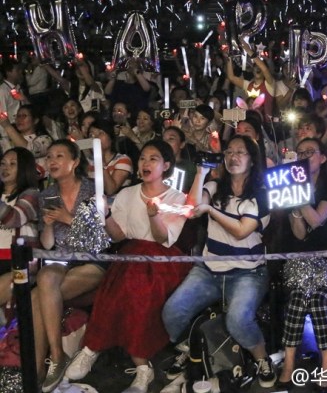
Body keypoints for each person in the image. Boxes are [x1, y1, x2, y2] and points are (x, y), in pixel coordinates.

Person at [64, 140, 192, 393]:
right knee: (116, 288)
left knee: (136, 289)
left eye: (153, 158)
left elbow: (162, 239)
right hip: (131, 255)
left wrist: (154, 215)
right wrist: (105, 215)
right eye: (143, 158)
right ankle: (100, 350)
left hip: (162, 260)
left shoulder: (177, 198)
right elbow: (118, 236)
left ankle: (127, 359)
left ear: (166, 165)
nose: (145, 163)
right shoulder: (127, 193)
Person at [160, 135, 276, 389]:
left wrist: (211, 211)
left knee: (238, 319)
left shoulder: (261, 195)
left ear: (252, 160)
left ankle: (261, 357)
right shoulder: (215, 187)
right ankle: (194, 348)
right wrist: (201, 172)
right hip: (209, 268)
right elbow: (192, 209)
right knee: (173, 311)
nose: (233, 157)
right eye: (229, 152)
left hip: (248, 272)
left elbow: (242, 231)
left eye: (240, 152)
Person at [277, 138, 327, 390]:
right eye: (300, 153)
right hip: (301, 260)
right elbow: (299, 234)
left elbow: (317, 220)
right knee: (297, 299)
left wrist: (298, 195)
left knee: (318, 300)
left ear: (322, 157)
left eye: (310, 152)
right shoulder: (291, 186)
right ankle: (289, 362)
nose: (305, 156)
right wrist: (295, 195)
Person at [31, 140, 100, 392]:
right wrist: (49, 224)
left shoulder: (92, 189)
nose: (52, 161)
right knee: (45, 279)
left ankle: (46, 364)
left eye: (59, 156)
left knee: (37, 296)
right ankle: (46, 363)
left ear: (75, 161)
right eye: (49, 156)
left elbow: (99, 239)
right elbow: (48, 244)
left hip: (92, 260)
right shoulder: (46, 195)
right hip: (61, 261)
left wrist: (67, 218)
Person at [0, 148, 40, 309]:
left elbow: (14, 219)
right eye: (2, 163)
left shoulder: (32, 194)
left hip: (18, 262)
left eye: (12, 164)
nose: (5, 168)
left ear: (24, 168)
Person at [0, 104, 53, 176]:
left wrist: (7, 126)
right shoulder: (7, 140)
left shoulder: (45, 139)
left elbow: (28, 151)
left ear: (35, 120)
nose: (19, 119)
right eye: (18, 116)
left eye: (24, 116)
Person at [87, 119, 133, 197]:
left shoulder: (123, 160)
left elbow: (110, 190)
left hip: (116, 203)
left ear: (111, 137)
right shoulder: (89, 163)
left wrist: (100, 160)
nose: (96, 138)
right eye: (91, 135)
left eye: (101, 133)